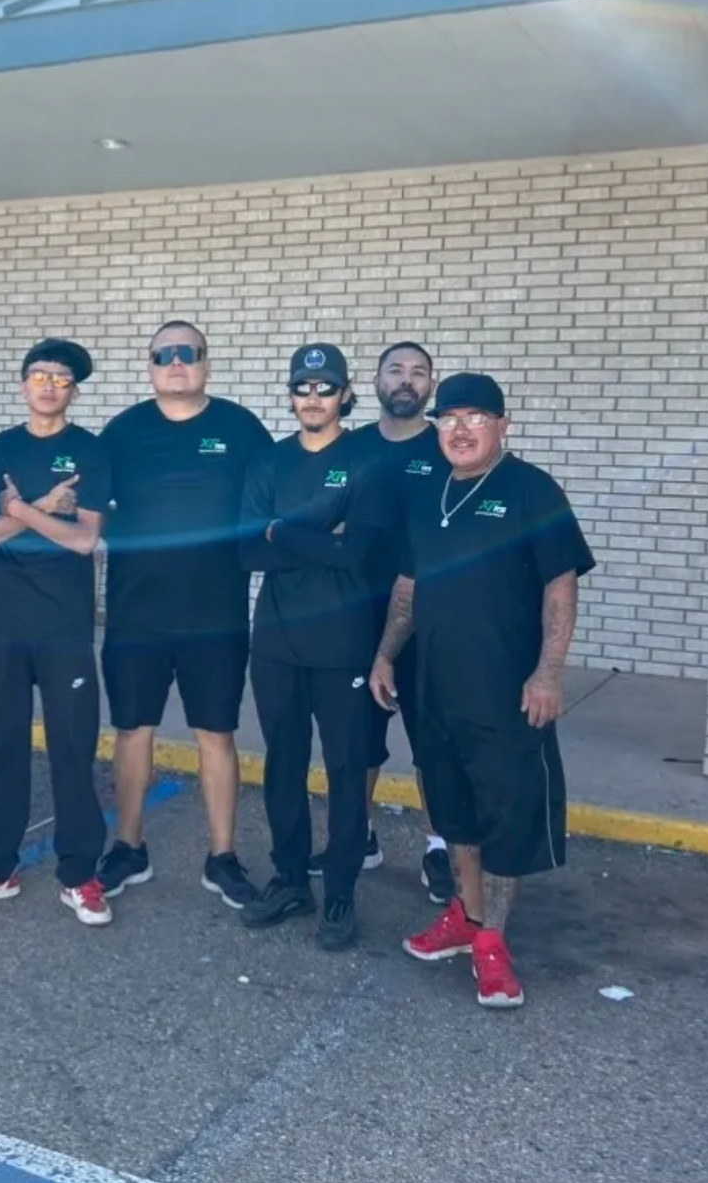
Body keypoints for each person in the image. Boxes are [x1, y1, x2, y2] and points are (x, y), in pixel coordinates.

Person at [372, 373, 595, 1009]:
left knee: (507, 812)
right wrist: (386, 653)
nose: (460, 429)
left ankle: (493, 940)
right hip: (435, 687)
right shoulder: (430, 494)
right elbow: (409, 586)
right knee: (454, 811)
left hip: (507, 692)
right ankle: (467, 916)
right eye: (449, 419)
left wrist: (548, 672)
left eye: (475, 417)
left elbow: (560, 586)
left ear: (503, 425)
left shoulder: (532, 490)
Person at [96, 321, 273, 910]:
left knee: (216, 734)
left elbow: (275, 497)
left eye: (187, 353)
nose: (176, 363)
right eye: (163, 355)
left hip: (216, 615)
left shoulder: (241, 429)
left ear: (206, 364)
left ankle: (222, 858)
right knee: (132, 729)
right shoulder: (121, 432)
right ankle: (128, 848)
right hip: (135, 613)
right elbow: (90, 505)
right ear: (149, 366)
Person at [0, 339, 114, 926]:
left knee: (73, 749)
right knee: (2, 747)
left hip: (65, 628)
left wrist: (19, 510)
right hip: (5, 625)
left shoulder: (91, 452)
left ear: (74, 391)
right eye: (39, 375)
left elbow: (84, 540)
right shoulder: (1, 449)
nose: (49, 386)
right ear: (23, 384)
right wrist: (42, 507)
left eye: (61, 379)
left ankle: (80, 875)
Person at [236, 344, 386, 951]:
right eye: (303, 387)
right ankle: (291, 879)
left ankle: (341, 891)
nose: (314, 398)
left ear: (345, 395)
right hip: (276, 640)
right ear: (292, 395)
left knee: (346, 769)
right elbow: (248, 551)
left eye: (326, 388)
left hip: (344, 642)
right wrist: (324, 534)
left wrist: (283, 530)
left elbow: (361, 555)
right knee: (284, 764)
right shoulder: (268, 463)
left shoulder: (368, 462)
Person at [314, 341, 456, 903]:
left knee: (432, 744)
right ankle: (359, 837)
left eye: (418, 372)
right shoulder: (350, 448)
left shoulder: (445, 448)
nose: (406, 380)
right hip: (357, 615)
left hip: (430, 620)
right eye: (395, 370)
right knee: (358, 741)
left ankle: (439, 848)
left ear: (430, 385)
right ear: (374, 382)